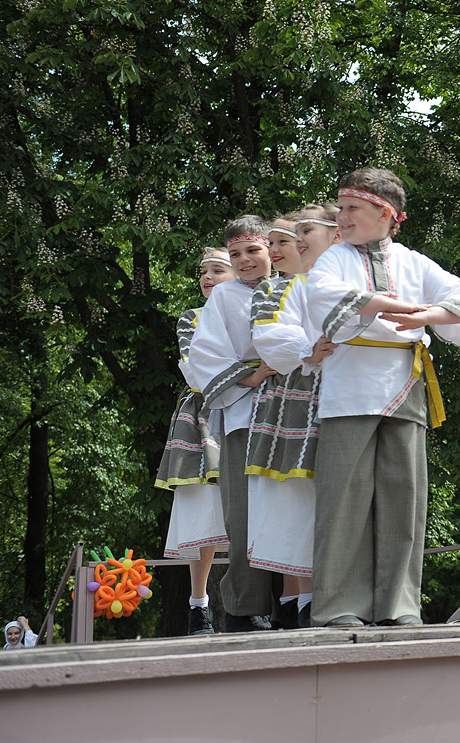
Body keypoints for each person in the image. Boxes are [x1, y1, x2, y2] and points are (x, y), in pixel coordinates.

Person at [305, 167, 460, 627]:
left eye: (351, 209)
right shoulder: (334, 259)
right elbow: (322, 295)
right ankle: (340, 607)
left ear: (385, 213)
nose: (341, 218)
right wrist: (397, 306)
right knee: (343, 500)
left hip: (405, 385)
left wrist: (432, 313)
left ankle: (399, 606)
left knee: (403, 499)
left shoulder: (413, 261)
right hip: (349, 388)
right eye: (341, 208)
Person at [245, 208, 340, 628]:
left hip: (338, 394)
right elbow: (268, 336)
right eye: (279, 241)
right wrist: (310, 350)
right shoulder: (273, 289)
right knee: (293, 498)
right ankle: (302, 602)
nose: (280, 249)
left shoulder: (336, 281)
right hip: (292, 399)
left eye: (288, 239)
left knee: (329, 497)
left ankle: (325, 597)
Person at [190, 215, 279, 633]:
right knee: (243, 511)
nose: (244, 260)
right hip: (244, 411)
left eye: (252, 251)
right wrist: (252, 375)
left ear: (270, 250)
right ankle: (245, 608)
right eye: (235, 254)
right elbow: (203, 355)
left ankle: (295, 600)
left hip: (293, 412)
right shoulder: (223, 297)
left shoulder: (294, 286)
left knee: (289, 504)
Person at [157, 247, 236, 635]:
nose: (206, 277)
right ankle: (198, 606)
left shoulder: (256, 309)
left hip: (248, 408)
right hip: (204, 417)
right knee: (203, 508)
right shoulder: (193, 318)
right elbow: (194, 370)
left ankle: (253, 601)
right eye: (203, 271)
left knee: (250, 508)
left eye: (217, 270)